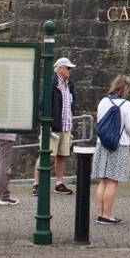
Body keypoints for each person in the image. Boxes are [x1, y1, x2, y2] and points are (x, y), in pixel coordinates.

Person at [93, 74, 130, 224]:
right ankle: (107, 215)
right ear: (125, 87)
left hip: (102, 143)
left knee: (103, 180)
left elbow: (100, 122)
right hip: (119, 144)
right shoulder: (126, 105)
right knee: (112, 181)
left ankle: (101, 213)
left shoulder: (103, 101)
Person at [32, 57, 76, 196]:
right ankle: (37, 184)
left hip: (66, 125)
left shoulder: (69, 84)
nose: (70, 71)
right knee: (46, 154)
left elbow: (72, 100)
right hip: (53, 126)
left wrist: (72, 112)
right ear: (60, 68)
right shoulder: (51, 83)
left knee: (62, 155)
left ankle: (59, 183)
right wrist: (47, 123)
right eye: (68, 68)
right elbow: (43, 104)